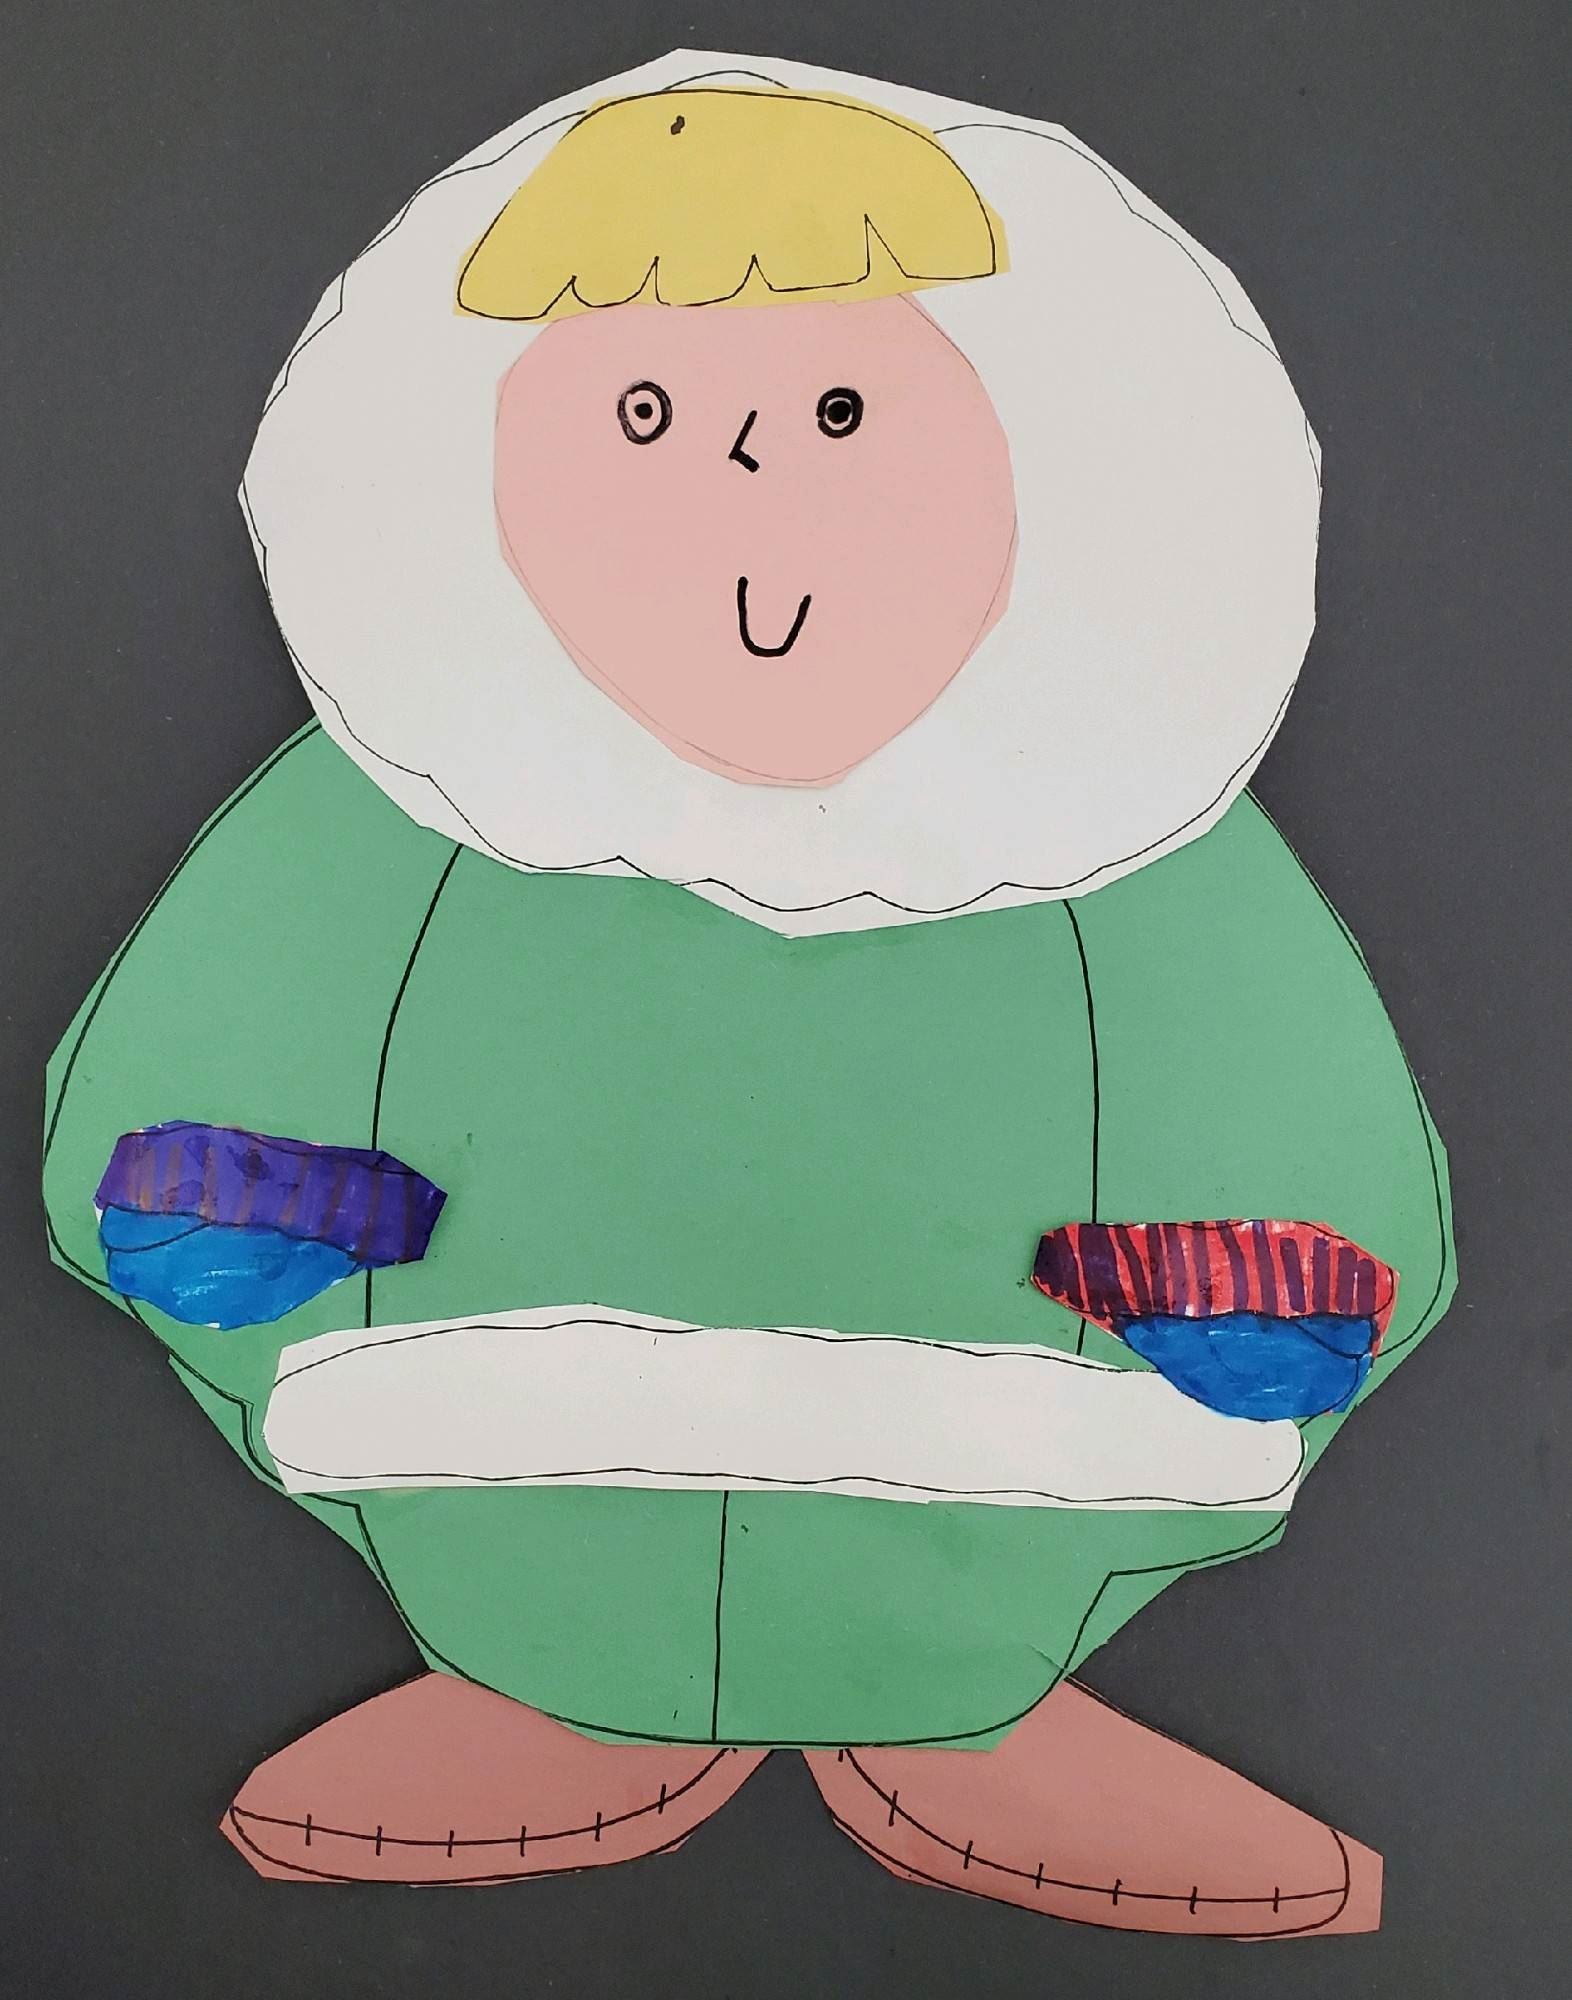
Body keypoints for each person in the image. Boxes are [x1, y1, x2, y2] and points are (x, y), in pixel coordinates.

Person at [42, 52, 1453, 1933]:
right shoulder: (391, 803)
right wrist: (230, 1196)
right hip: (470, 1395)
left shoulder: (1145, 833)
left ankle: (973, 1702)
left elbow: (1311, 1130)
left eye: (842, 409)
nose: (743, 478)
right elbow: (177, 1091)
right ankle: (545, 1685)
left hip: (1027, 1424)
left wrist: (1263, 1278)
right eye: (643, 411)